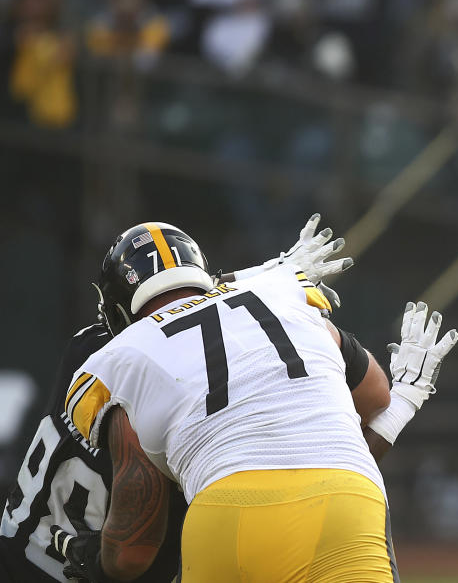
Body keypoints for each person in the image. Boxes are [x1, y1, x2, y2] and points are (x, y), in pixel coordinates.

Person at [47, 219, 457, 582]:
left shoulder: (121, 358)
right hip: (341, 506)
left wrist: (100, 561)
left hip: (222, 521)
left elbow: (133, 550)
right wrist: (402, 404)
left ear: (116, 313)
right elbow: (375, 395)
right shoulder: (281, 293)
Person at [0, 215, 353, 582]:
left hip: (21, 549)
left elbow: (177, 319)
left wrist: (256, 277)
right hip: (104, 560)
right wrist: (265, 283)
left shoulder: (91, 352)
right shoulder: (161, 376)